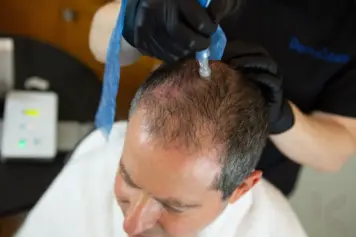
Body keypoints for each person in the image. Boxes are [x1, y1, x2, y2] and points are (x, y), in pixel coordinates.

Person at [15, 56, 307, 236]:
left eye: (173, 206)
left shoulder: (274, 228)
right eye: (127, 178)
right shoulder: (100, 155)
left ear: (241, 189)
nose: (131, 224)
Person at [118, 0, 356, 196]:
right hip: (151, 143)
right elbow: (99, 38)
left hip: (258, 178)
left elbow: (334, 153)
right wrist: (131, 21)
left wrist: (282, 117)